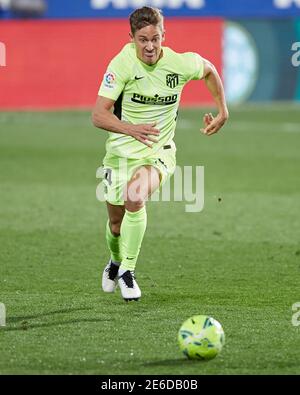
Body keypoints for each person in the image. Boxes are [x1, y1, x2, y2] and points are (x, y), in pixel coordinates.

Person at [92, 6, 228, 302]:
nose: (150, 46)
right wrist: (131, 129)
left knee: (135, 195)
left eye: (156, 38)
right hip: (119, 154)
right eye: (143, 40)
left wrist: (222, 110)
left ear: (164, 35)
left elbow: (209, 70)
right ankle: (115, 262)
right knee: (115, 225)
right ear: (131, 38)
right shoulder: (122, 64)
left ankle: (128, 271)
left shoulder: (180, 63)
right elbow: (98, 116)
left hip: (159, 152)